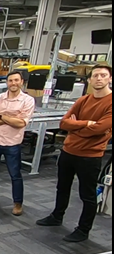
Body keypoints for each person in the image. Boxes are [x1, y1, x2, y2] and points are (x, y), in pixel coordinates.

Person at [37, 65, 113, 242]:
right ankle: (57, 216)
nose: (99, 79)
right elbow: (64, 124)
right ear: (89, 80)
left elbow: (101, 128)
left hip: (90, 156)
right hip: (68, 151)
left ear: (110, 79)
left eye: (103, 75)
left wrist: (77, 126)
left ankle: (83, 229)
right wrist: (87, 124)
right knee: (62, 187)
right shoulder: (83, 100)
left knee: (87, 195)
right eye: (95, 76)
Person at [0, 71, 35, 216]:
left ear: (22, 81)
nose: (13, 83)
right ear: (7, 82)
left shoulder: (27, 100)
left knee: (15, 174)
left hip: (12, 143)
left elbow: (21, 123)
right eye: (10, 80)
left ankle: (17, 203)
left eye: (16, 80)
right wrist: (12, 117)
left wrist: (2, 115)